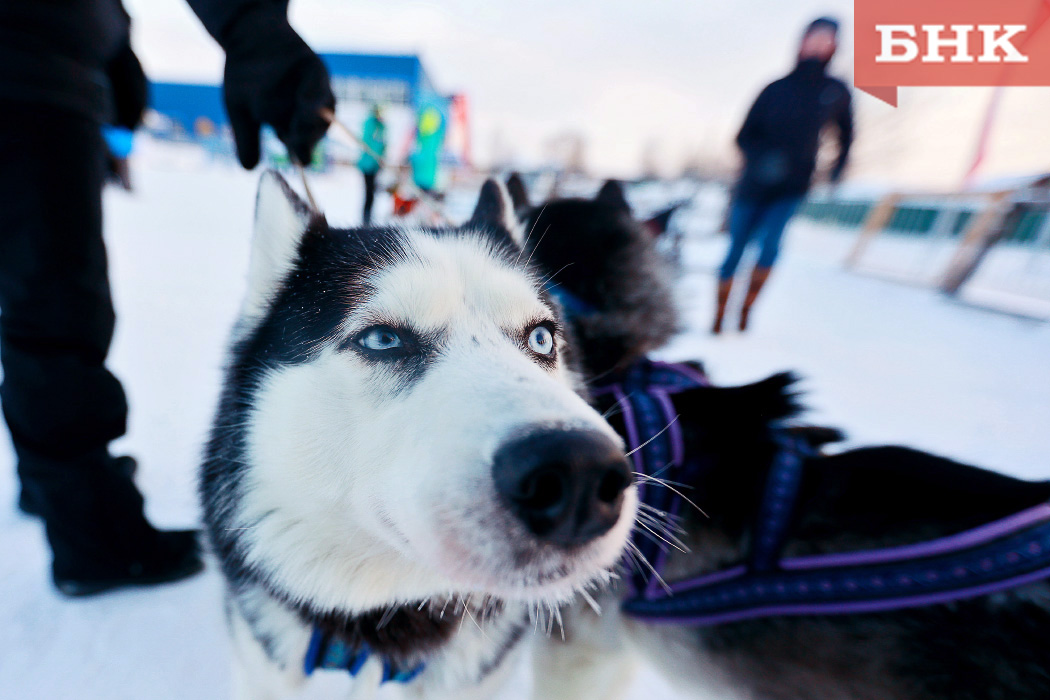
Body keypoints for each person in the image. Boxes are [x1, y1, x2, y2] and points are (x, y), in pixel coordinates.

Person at [0, 0, 334, 596]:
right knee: (53, 316)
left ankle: (55, 478)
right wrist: (257, 34)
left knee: (36, 305)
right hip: (29, 84)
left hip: (39, 72)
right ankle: (93, 538)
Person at [713, 17, 853, 334]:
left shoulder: (836, 91)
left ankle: (746, 310)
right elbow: (743, 135)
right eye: (814, 36)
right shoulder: (775, 88)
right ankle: (719, 315)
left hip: (793, 186)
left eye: (826, 38)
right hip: (753, 185)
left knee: (770, 248)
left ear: (834, 45)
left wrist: (837, 169)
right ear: (802, 40)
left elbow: (847, 136)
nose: (819, 43)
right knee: (736, 248)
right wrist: (761, 159)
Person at [358, 104, 386, 225]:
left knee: (372, 193)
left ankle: (369, 216)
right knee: (369, 192)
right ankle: (366, 218)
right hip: (368, 165)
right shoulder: (370, 124)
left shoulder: (381, 126)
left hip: (375, 165)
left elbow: (383, 144)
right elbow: (369, 143)